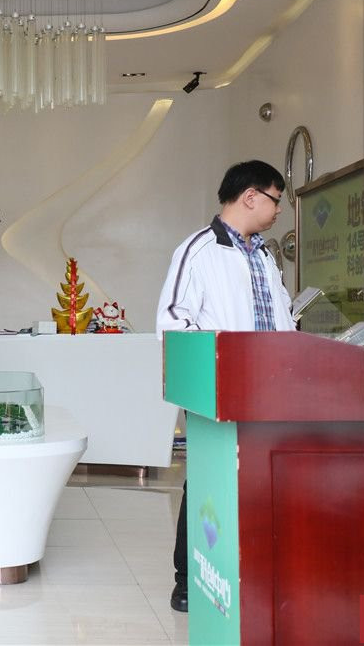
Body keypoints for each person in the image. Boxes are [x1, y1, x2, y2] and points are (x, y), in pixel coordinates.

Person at [155, 160, 296, 612]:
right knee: (208, 482)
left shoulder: (265, 256)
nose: (279, 210)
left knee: (258, 483)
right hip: (219, 388)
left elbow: (279, 318)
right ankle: (187, 581)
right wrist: (219, 362)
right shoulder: (199, 249)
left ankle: (247, 573)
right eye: (276, 199)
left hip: (269, 390)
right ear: (251, 196)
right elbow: (173, 321)